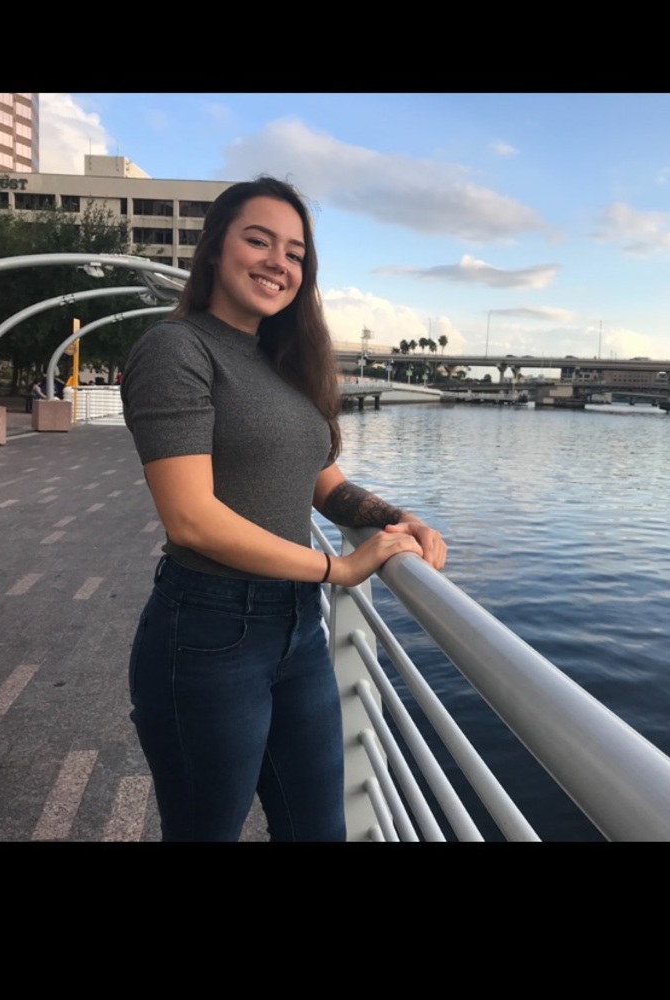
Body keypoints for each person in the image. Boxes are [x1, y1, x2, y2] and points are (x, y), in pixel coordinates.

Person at [121, 177, 447, 842]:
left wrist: (396, 518)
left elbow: (323, 483)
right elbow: (190, 518)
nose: (279, 262)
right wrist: (339, 569)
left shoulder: (282, 362)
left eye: (295, 253)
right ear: (216, 248)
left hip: (297, 630)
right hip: (209, 632)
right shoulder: (177, 348)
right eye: (259, 240)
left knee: (318, 830)